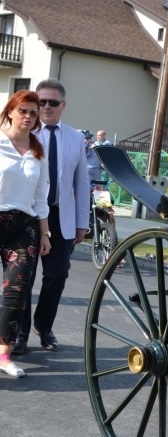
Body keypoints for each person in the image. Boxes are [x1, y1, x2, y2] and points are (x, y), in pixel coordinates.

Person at [12, 79, 89, 355]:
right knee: (24, 276)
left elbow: (81, 182)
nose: (45, 107)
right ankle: (19, 334)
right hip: (29, 216)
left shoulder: (76, 138)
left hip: (60, 216)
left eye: (52, 102)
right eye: (41, 102)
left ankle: (43, 326)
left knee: (57, 275)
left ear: (63, 106)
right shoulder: (26, 133)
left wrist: (83, 222)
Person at [0, 91, 52, 377]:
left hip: (23, 227)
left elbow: (41, 196)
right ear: (10, 111)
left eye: (33, 113)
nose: (29, 116)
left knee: (16, 293)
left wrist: (44, 233)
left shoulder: (38, 151)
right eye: (24, 110)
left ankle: (4, 355)